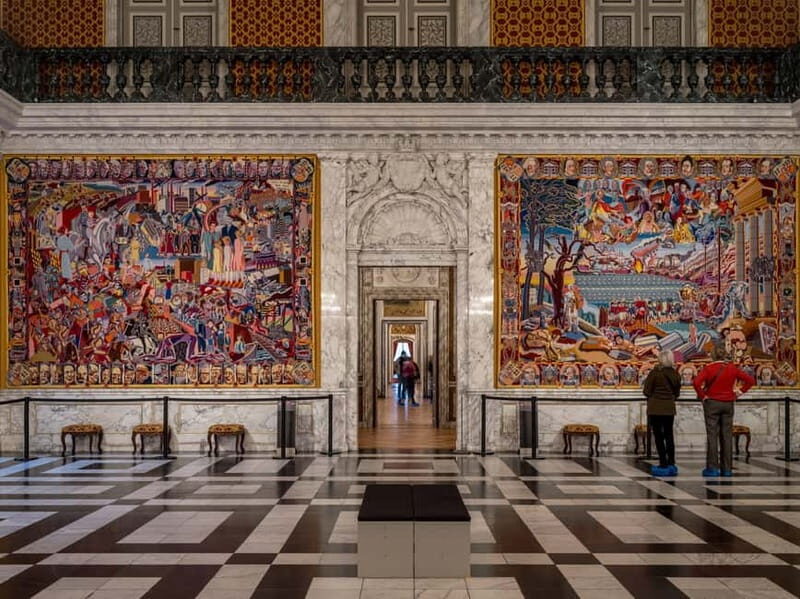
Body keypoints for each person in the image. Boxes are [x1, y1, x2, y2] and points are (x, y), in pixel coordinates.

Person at [693, 347, 755, 477]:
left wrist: (703, 396)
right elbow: (750, 381)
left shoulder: (709, 368)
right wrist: (739, 392)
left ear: (713, 356)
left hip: (712, 403)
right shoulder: (732, 368)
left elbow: (696, 382)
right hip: (728, 403)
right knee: (727, 436)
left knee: (712, 436)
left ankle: (712, 468)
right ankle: (727, 469)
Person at [642, 350, 681, 476]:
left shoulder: (655, 373)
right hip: (669, 408)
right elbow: (677, 393)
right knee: (669, 435)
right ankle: (671, 463)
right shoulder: (675, 374)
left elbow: (646, 391)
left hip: (655, 408)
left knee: (659, 436)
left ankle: (663, 463)